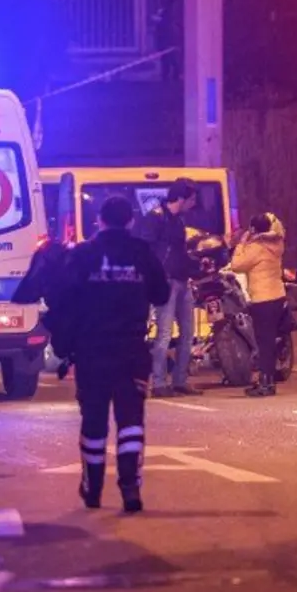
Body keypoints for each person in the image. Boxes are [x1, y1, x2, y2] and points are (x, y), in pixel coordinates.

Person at [47, 196, 170, 513]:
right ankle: (131, 488)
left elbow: (61, 297)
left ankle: (93, 489)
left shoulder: (83, 254)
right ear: (130, 221)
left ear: (99, 220)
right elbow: (161, 293)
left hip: (91, 350)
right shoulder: (142, 253)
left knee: (94, 422)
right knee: (131, 422)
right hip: (131, 349)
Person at [133, 177, 201, 398]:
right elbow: (146, 251)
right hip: (166, 282)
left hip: (182, 280)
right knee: (164, 334)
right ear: (180, 198)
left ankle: (180, 379)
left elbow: (179, 252)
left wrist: (194, 267)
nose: (193, 203)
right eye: (191, 199)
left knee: (188, 332)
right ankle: (160, 383)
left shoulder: (179, 221)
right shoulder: (155, 218)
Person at [228, 212, 288, 397]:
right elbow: (278, 228)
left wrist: (241, 244)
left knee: (264, 343)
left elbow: (237, 265)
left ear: (253, 229)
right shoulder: (277, 243)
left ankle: (266, 383)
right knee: (269, 342)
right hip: (278, 297)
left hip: (263, 300)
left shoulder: (256, 247)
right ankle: (266, 380)